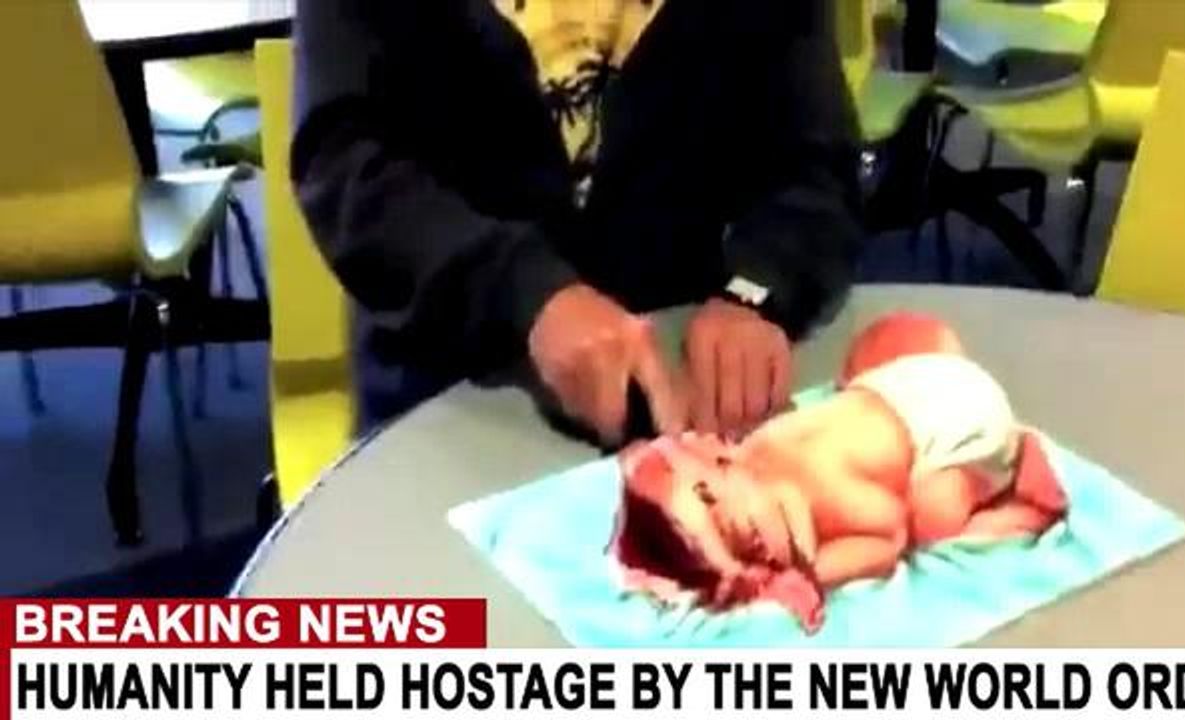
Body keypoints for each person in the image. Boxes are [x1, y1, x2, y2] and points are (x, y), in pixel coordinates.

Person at [292, 0, 865, 441]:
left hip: (682, 389)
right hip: (456, 389)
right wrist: (527, 293)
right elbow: (342, 164)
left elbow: (814, 157)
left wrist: (757, 290)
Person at [610, 312, 1069, 632]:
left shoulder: (834, 495)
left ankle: (1023, 502)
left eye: (752, 545)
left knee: (930, 516)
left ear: (726, 460)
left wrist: (814, 574)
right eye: (753, 555)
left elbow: (890, 536)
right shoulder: (760, 447)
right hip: (912, 374)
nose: (769, 557)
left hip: (964, 428)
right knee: (876, 350)